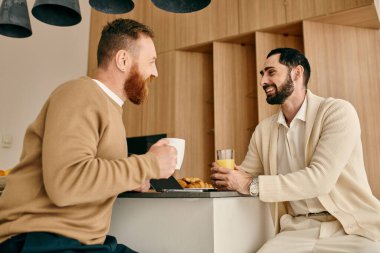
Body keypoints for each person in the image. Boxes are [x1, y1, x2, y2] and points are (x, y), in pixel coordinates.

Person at [0, 18, 177, 253]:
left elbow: (87, 173)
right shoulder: (80, 94)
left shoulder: (108, 107)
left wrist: (130, 178)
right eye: (151, 61)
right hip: (40, 241)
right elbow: (67, 183)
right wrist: (148, 164)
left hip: (81, 241)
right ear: (123, 60)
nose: (155, 72)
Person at [211, 48, 380, 252]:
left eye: (271, 72)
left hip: (350, 229)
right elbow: (247, 175)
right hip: (295, 231)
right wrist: (228, 178)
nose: (263, 81)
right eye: (262, 74)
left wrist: (248, 184)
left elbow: (320, 180)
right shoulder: (264, 130)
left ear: (297, 73)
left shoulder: (337, 112)